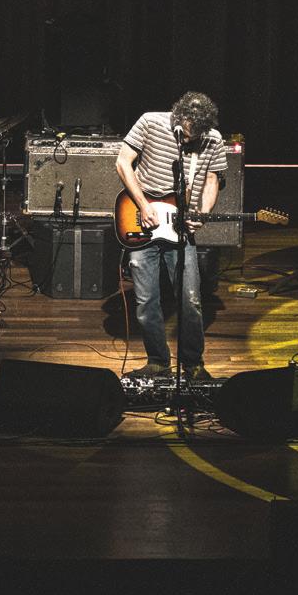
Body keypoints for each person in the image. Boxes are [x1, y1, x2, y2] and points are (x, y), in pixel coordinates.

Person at [115, 91, 228, 380]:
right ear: (178, 117)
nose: (189, 140)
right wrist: (143, 205)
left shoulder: (213, 140)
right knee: (146, 300)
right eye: (187, 133)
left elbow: (212, 179)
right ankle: (158, 362)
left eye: (195, 136)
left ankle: (193, 364)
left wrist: (202, 213)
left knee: (190, 299)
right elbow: (123, 162)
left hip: (179, 228)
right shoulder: (150, 122)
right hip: (143, 219)